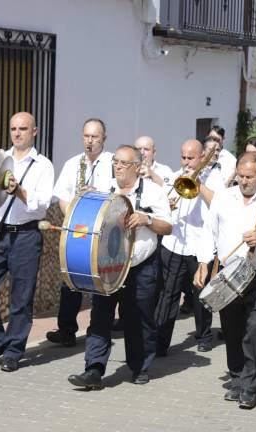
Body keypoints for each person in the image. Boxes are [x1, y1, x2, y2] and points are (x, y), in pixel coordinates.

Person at [193, 152, 256, 409]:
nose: (244, 180)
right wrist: (203, 263)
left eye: (249, 176)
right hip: (228, 275)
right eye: (240, 175)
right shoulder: (224, 198)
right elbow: (209, 232)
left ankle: (251, 384)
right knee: (232, 328)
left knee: (254, 327)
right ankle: (237, 375)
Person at [67, 145, 172, 389]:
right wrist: (87, 198)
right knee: (100, 316)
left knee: (138, 318)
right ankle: (93, 369)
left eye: (123, 163)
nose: (118, 167)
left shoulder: (154, 192)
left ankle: (139, 366)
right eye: (115, 162)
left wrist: (146, 219)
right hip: (108, 266)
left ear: (137, 166)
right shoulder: (105, 186)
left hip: (140, 266)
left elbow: (168, 226)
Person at [0, 112, 55, 372]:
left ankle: (13, 351)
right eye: (13, 129)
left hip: (27, 235)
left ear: (35, 131)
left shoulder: (43, 165)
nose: (17, 133)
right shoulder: (0, 159)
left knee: (21, 297)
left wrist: (17, 190)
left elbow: (42, 204)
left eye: (23, 129)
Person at [46, 118, 114, 347]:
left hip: (101, 229)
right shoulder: (73, 163)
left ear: (104, 138)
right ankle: (66, 330)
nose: (90, 141)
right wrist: (73, 213)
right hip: (77, 226)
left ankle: (97, 330)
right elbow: (62, 196)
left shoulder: (113, 163)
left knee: (98, 278)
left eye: (94, 136)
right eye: (86, 136)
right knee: (70, 276)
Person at [155, 139, 225, 356]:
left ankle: (204, 336)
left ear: (201, 157)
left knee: (200, 294)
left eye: (191, 158)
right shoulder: (175, 177)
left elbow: (219, 204)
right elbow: (164, 206)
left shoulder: (214, 177)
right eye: (183, 157)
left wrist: (198, 182)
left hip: (199, 247)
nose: (186, 162)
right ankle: (160, 341)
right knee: (169, 295)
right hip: (175, 243)